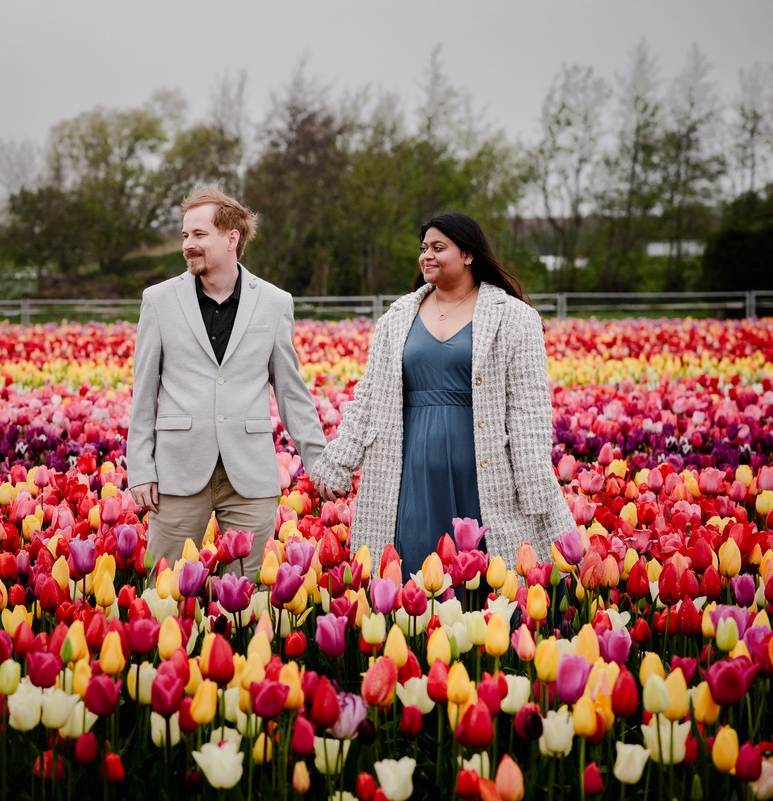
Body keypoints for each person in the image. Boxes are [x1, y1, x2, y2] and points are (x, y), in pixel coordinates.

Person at [311, 212, 574, 576]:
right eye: (424, 249)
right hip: (409, 467)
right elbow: (370, 397)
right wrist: (339, 460)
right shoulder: (398, 316)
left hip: (483, 469)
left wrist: (535, 489)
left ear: (468, 255)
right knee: (414, 572)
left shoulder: (514, 317)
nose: (426, 256)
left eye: (438, 247)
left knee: (492, 571)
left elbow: (529, 410)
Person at [127, 186, 327, 580]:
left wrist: (319, 461)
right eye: (185, 235)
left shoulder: (274, 302)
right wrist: (140, 468)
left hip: (250, 476)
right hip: (178, 471)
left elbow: (290, 391)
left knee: (252, 594)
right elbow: (144, 390)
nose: (188, 245)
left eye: (199, 235)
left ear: (232, 237)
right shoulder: (159, 300)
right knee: (163, 591)